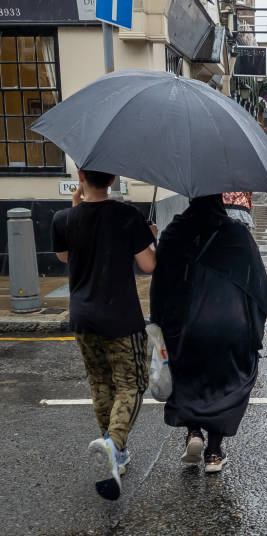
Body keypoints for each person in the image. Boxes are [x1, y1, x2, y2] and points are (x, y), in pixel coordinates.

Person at [150, 194, 267, 473]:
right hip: (229, 323)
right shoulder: (237, 233)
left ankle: (193, 432)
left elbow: (161, 283)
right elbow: (257, 283)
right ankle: (214, 453)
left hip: (186, 324)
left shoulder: (174, 232)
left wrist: (158, 321)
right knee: (224, 382)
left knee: (188, 377)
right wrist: (258, 321)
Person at [52, 169, 157, 501]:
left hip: (82, 318)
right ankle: (113, 445)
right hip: (121, 319)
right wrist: (150, 236)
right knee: (131, 385)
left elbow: (64, 256)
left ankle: (116, 455)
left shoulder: (62, 218)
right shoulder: (127, 215)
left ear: (80, 177)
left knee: (100, 384)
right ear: (111, 179)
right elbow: (149, 265)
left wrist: (73, 209)